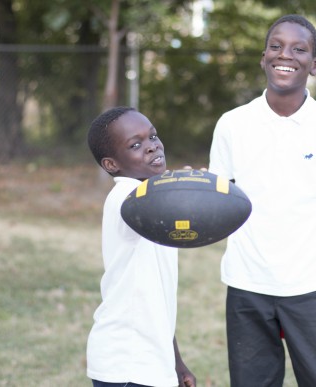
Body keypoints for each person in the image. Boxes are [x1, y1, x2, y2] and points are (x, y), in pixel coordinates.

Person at [208, 14, 316, 387]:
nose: (284, 55)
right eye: (275, 46)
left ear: (314, 65)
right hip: (247, 286)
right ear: (263, 58)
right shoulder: (232, 125)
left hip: (310, 288)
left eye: (298, 49)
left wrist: (315, 257)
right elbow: (218, 202)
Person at [86, 106, 196, 387]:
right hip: (126, 364)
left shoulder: (151, 193)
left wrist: (176, 363)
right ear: (112, 164)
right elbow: (158, 205)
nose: (151, 147)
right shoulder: (126, 196)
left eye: (153, 137)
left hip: (152, 362)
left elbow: (155, 300)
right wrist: (190, 188)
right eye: (136, 145)